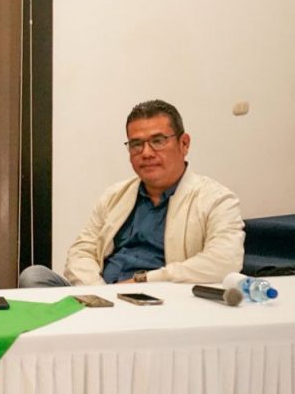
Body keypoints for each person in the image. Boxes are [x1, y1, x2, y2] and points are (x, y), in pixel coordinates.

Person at [20, 99, 244, 287]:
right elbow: (81, 252)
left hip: (161, 300)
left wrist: (143, 281)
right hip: (103, 296)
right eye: (136, 144)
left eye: (158, 141)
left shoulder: (217, 199)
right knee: (34, 276)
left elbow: (224, 262)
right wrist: (101, 294)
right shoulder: (115, 196)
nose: (146, 153)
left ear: (184, 144)